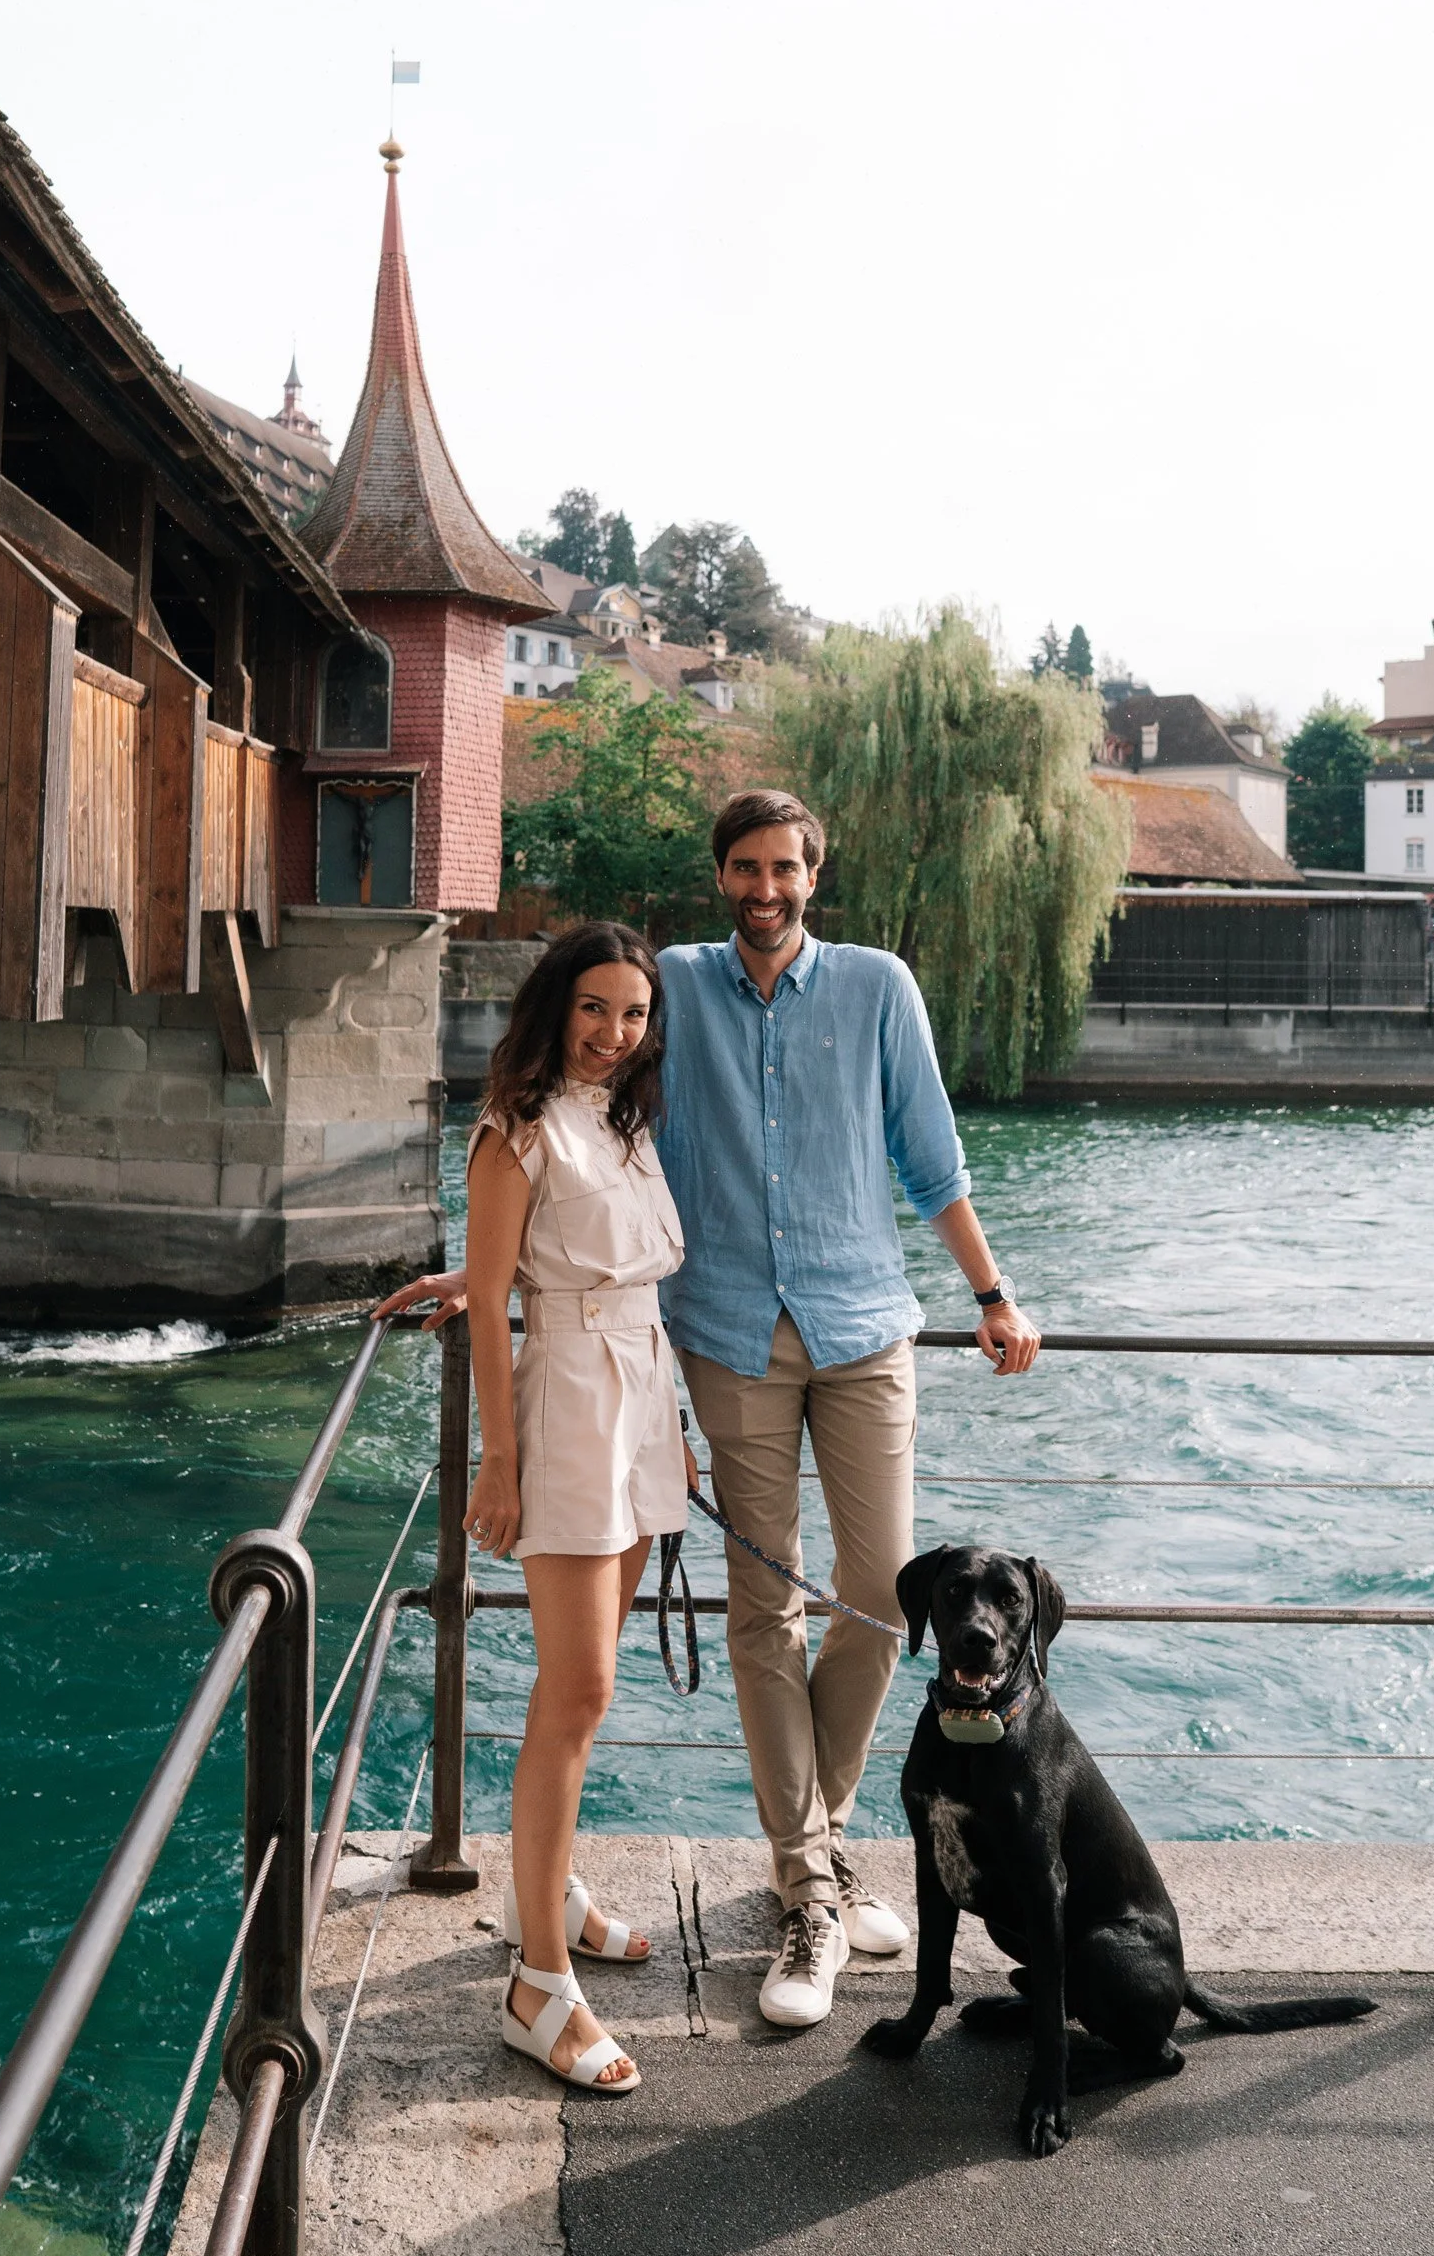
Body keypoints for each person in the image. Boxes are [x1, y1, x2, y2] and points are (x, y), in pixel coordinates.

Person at [381, 787, 1041, 2035]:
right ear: (719, 875)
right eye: (744, 867)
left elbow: (931, 1160)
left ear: (812, 874)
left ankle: (818, 1847)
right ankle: (806, 1884)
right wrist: (482, 1274)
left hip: (860, 1325)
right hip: (723, 1339)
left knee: (878, 1595)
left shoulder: (877, 987)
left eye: (784, 867)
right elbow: (565, 1120)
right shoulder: (670, 983)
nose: (764, 888)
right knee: (760, 1605)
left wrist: (992, 1293)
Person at [445, 920, 690, 2094]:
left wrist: (670, 1428)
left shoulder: (624, 1121)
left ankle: (544, 1892)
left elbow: (620, 1267)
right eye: (594, 1008)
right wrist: (498, 1462)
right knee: (576, 1686)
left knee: (584, 1687)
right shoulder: (517, 1130)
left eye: (633, 1013)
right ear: (555, 1006)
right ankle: (536, 1987)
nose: (613, 1032)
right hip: (570, 1401)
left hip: (642, 1394)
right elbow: (494, 1303)